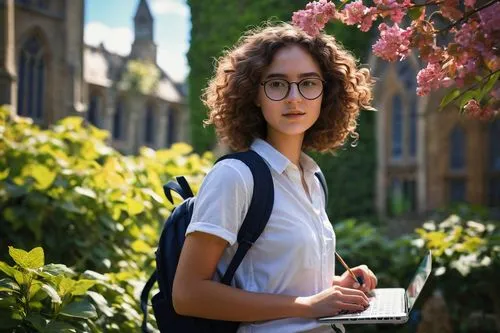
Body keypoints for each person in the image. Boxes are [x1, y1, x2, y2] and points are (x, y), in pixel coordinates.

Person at [172, 21, 377, 333]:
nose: (294, 98)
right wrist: (307, 306)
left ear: (326, 92)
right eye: (277, 84)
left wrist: (336, 286)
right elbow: (188, 295)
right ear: (255, 94)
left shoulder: (312, 176)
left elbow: (274, 278)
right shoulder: (234, 177)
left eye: (308, 83)